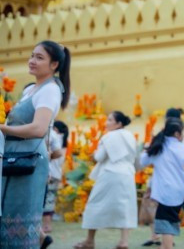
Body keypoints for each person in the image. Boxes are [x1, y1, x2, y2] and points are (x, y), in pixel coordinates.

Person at [1, 40, 71, 248]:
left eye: (39, 58)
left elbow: (38, 129)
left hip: (27, 161)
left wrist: (2, 129)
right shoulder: (31, 89)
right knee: (8, 214)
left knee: (19, 219)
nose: (32, 61)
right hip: (15, 158)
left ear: (54, 65)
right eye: (32, 55)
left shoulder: (50, 90)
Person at [73, 111, 138, 249]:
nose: (106, 123)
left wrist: (93, 155)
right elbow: (136, 158)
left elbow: (99, 157)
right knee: (126, 207)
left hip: (110, 173)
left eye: (109, 120)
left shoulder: (109, 136)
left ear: (118, 123)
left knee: (95, 204)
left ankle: (90, 241)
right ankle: (124, 241)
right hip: (127, 174)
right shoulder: (131, 136)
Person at [139, 118, 184, 249]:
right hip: (179, 191)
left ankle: (167, 246)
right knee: (170, 220)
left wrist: (149, 147)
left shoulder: (158, 147)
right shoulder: (183, 148)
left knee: (166, 224)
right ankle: (165, 246)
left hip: (163, 192)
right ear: (178, 134)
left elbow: (143, 161)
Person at [41, 120, 68, 245]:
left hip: (50, 173)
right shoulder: (63, 141)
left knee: (46, 199)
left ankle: (46, 226)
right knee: (50, 199)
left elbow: (55, 154)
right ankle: (47, 224)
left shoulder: (52, 135)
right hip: (56, 174)